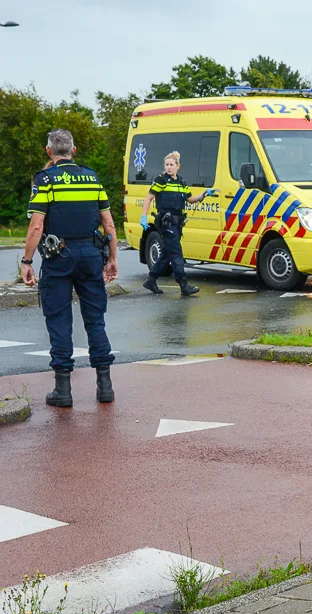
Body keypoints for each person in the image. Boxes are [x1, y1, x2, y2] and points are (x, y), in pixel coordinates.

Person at [20, 129, 119, 407]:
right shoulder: (92, 177)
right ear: (73, 151)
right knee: (95, 320)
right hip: (90, 254)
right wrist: (112, 259)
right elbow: (109, 225)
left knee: (59, 319)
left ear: (49, 152)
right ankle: (105, 387)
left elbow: (37, 225)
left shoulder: (45, 180)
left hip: (58, 256)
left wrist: (27, 262)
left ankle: (63, 391)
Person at [140, 151, 217, 295]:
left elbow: (190, 199)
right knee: (176, 253)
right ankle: (183, 284)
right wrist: (143, 216)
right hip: (166, 223)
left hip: (177, 223)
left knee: (167, 253)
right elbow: (149, 198)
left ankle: (151, 280)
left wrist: (205, 194)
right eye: (167, 165)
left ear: (177, 166)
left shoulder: (181, 182)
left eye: (171, 165)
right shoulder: (161, 180)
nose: (169, 167)